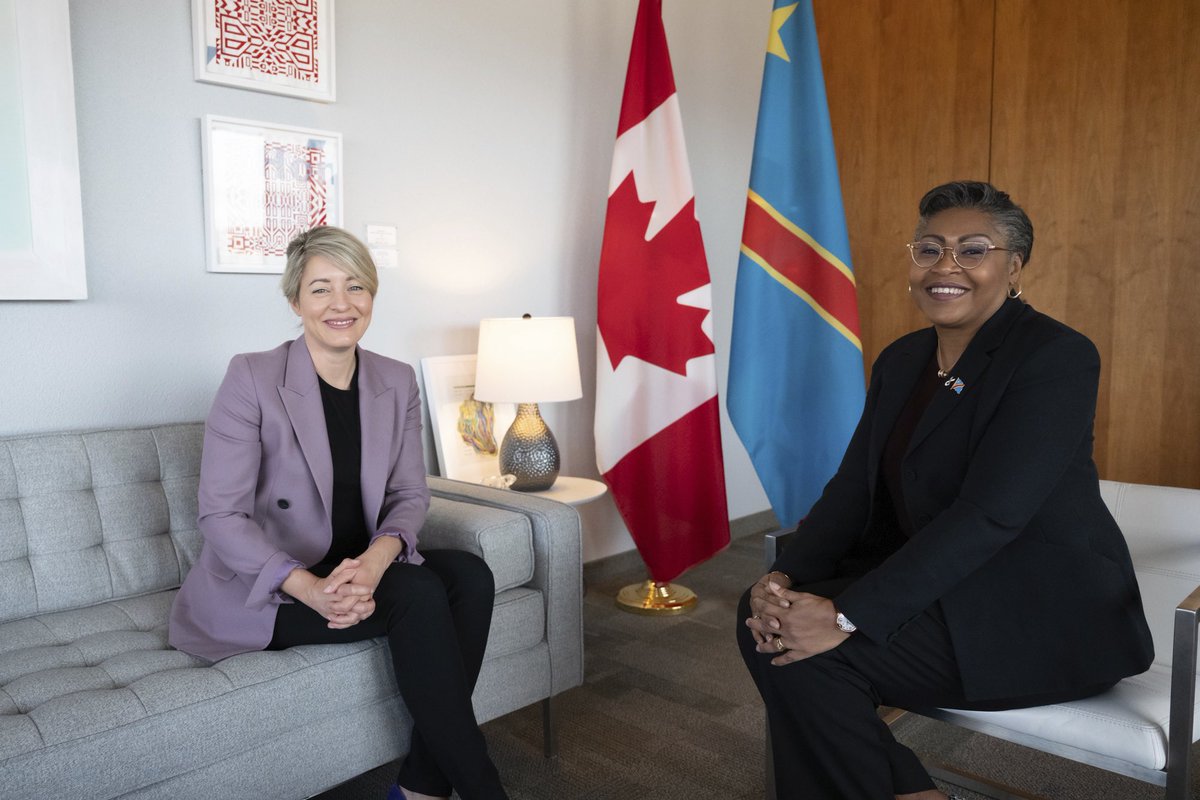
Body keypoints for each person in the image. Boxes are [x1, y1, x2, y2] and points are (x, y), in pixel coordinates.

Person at [737, 181, 1154, 800]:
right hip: (939, 586)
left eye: (973, 249)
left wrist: (847, 617)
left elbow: (991, 515)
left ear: (1014, 267)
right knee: (767, 623)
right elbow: (853, 488)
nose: (946, 267)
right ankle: (908, 790)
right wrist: (784, 578)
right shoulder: (902, 359)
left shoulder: (1056, 357)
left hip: (1038, 612)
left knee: (815, 654)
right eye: (929, 249)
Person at [169, 226, 508, 800]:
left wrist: (378, 560)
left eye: (356, 287)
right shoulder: (252, 377)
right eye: (321, 289)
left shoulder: (395, 380)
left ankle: (422, 788)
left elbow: (408, 492)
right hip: (270, 586)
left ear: (372, 296)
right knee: (421, 594)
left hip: (352, 567)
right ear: (295, 300)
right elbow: (220, 516)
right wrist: (308, 587)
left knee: (471, 575)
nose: (341, 304)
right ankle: (483, 791)